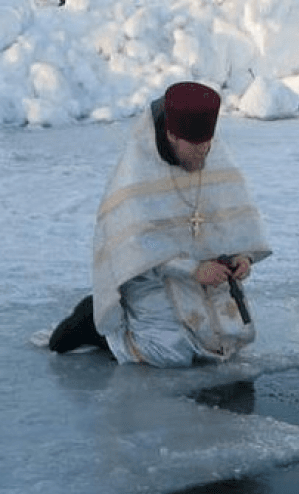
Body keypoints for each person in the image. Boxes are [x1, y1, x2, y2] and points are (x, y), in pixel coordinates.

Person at [48, 81, 272, 367]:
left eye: (208, 145)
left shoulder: (209, 151)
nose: (203, 154)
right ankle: (93, 325)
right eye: (195, 147)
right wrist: (191, 269)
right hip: (149, 275)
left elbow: (233, 217)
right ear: (171, 135)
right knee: (169, 353)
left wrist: (243, 256)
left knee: (232, 341)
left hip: (208, 271)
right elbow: (134, 248)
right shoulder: (138, 168)